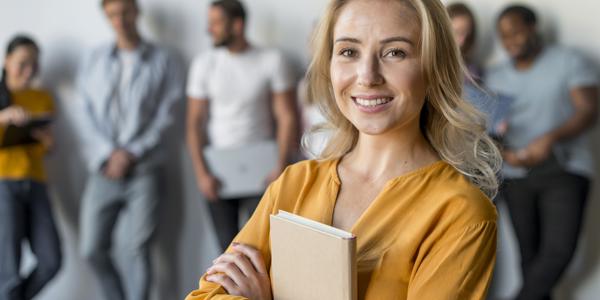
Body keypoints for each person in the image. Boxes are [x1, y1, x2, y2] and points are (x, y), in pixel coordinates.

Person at [185, 0, 502, 299]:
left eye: (395, 53)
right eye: (349, 51)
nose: (367, 77)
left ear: (434, 67)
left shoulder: (461, 212)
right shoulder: (294, 184)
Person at [486, 5, 598, 300]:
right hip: (517, 175)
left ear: (533, 28)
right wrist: (506, 153)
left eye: (516, 32)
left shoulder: (569, 61)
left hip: (564, 170)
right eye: (503, 36)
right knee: (530, 259)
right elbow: (491, 131)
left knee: (558, 252)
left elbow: (588, 110)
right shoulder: (496, 77)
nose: (510, 41)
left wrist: (551, 137)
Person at [75, 0, 184, 299]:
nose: (119, 20)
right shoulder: (94, 59)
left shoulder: (163, 59)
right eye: (112, 15)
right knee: (91, 248)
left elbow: (168, 114)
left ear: (136, 12)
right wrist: (109, 153)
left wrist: (130, 152)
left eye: (124, 12)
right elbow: (83, 112)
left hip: (145, 168)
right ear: (106, 18)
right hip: (103, 168)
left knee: (139, 248)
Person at [186, 0, 298, 252]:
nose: (209, 29)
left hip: (262, 170)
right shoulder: (204, 64)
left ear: (237, 25)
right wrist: (202, 173)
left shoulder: (272, 60)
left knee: (261, 248)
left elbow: (287, 116)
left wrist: (280, 166)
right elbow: (194, 123)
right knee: (226, 250)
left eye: (216, 23)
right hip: (218, 171)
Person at [0, 35, 62, 300]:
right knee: (9, 270)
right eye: (22, 63)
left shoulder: (42, 98)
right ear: (7, 61)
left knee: (51, 260)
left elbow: (47, 148)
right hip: (3, 184)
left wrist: (47, 142)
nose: (29, 70)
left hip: (36, 182)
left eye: (34, 64)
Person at [447, 2, 508, 138]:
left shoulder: (474, 69)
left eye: (467, 34)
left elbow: (482, 108)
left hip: (472, 136)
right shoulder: (432, 66)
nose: (462, 41)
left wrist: (496, 123)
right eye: (457, 33)